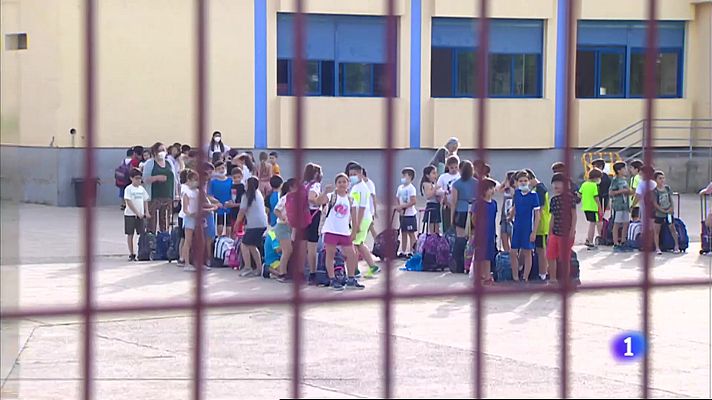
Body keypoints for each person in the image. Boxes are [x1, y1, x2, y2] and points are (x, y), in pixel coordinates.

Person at [322, 173, 365, 290]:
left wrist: (354, 231)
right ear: (336, 184)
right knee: (330, 255)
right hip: (331, 230)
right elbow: (318, 201)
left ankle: (351, 278)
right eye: (339, 182)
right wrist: (325, 192)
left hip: (344, 231)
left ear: (348, 184)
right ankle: (332, 279)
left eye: (344, 182)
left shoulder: (351, 199)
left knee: (352, 254)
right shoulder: (331, 196)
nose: (342, 184)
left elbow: (354, 216)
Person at [348, 163, 381, 279]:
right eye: (350, 174)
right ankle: (361, 268)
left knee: (356, 244)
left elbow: (361, 208)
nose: (352, 176)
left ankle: (364, 268)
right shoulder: (354, 187)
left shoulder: (362, 188)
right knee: (357, 244)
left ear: (360, 174)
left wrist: (357, 224)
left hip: (362, 218)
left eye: (354, 174)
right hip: (356, 218)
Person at [508, 170, 541, 282]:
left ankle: (525, 277)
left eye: (525, 181)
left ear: (529, 181)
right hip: (517, 227)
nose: (523, 183)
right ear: (517, 182)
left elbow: (537, 215)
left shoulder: (534, 195)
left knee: (527, 252)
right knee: (513, 252)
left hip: (528, 227)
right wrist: (510, 215)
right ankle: (515, 276)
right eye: (521, 181)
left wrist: (534, 232)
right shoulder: (517, 193)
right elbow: (515, 207)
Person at [142, 142, 180, 233]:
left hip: (168, 195)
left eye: (164, 150)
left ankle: (164, 239)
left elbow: (175, 179)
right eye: (160, 150)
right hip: (154, 196)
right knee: (152, 221)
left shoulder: (169, 163)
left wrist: (176, 195)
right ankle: (151, 239)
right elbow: (145, 180)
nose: (162, 152)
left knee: (165, 221)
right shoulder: (149, 163)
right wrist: (156, 178)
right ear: (154, 152)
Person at [546, 173, 577, 284]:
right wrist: (549, 233)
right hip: (555, 232)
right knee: (550, 256)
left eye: (559, 183)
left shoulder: (570, 199)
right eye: (554, 183)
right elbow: (552, 217)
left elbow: (574, 215)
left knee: (564, 258)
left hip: (566, 233)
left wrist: (572, 230)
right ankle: (553, 279)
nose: (556, 185)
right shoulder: (553, 200)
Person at [235, 177, 269, 277]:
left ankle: (248, 267)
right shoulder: (258, 194)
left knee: (244, 244)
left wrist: (237, 223)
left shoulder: (246, 196)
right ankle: (258, 268)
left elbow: (242, 211)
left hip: (254, 224)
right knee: (252, 246)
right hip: (262, 223)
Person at [304, 163, 330, 283]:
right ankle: (313, 273)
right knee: (312, 246)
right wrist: (321, 197)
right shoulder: (315, 185)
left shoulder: (304, 184)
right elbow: (312, 198)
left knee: (303, 245)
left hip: (302, 214)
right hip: (313, 214)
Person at [450, 160, 478, 273]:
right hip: (474, 211)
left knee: (460, 238)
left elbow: (453, 201)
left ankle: (459, 265)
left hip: (461, 211)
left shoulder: (456, 184)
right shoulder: (477, 183)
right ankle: (471, 264)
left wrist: (452, 217)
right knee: (473, 238)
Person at [470, 177, 497, 284]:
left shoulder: (494, 203)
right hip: (481, 234)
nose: (493, 190)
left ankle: (487, 276)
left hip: (490, 233)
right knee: (479, 256)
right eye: (490, 188)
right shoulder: (478, 203)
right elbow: (474, 217)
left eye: (493, 188)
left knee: (488, 256)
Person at [527, 169, 550, 282]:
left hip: (541, 225)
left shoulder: (539, 190)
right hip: (539, 224)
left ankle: (543, 274)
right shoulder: (537, 188)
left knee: (541, 251)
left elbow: (539, 210)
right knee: (539, 249)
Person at [272, 178, 296, 282]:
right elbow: (276, 210)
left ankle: (287, 272)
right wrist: (283, 218)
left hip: (291, 227)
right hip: (282, 227)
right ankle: (282, 273)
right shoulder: (285, 198)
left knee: (289, 251)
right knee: (287, 251)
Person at [123, 169, 150, 261]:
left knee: (142, 233)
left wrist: (146, 211)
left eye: (140, 178)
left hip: (141, 215)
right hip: (130, 215)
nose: (138, 180)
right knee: (130, 234)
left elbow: (145, 199)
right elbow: (129, 201)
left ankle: (142, 251)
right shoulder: (128, 189)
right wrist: (137, 213)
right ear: (131, 178)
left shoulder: (141, 189)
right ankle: (131, 253)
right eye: (136, 178)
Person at [652, 171, 680, 255]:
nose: (662, 180)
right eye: (660, 178)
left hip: (668, 212)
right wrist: (662, 210)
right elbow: (655, 203)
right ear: (656, 180)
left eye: (663, 178)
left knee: (672, 228)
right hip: (659, 213)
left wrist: (671, 208)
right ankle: (657, 248)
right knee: (657, 230)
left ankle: (676, 246)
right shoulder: (654, 191)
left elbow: (670, 199)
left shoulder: (667, 188)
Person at [609, 161, 632, 251]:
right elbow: (611, 193)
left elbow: (628, 191)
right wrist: (621, 191)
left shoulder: (625, 180)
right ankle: (615, 243)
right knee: (617, 223)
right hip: (618, 205)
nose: (626, 170)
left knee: (626, 222)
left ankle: (623, 241)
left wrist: (629, 191)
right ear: (618, 170)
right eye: (624, 168)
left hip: (625, 205)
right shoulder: (615, 180)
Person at [179, 170, 200, 272]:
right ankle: (186, 263)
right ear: (189, 180)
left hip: (197, 219)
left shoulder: (197, 192)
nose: (196, 183)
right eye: (194, 180)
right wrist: (191, 214)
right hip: (189, 219)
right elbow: (185, 209)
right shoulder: (186, 192)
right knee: (188, 241)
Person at [396, 167, 418, 258]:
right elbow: (397, 198)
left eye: (405, 175)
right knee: (403, 232)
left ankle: (413, 251)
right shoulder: (400, 187)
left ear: (410, 177)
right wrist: (399, 207)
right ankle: (403, 251)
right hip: (402, 215)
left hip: (410, 214)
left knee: (411, 232)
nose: (403, 177)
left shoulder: (411, 188)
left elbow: (413, 201)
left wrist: (403, 207)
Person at [580, 168, 603, 249]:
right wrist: (600, 209)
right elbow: (596, 198)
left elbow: (579, 195)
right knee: (592, 224)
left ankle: (588, 239)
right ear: (595, 177)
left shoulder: (584, 184)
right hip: (593, 208)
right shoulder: (594, 186)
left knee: (591, 223)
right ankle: (590, 241)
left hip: (586, 207)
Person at [208, 161, 233, 237]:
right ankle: (219, 240)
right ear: (215, 171)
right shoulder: (212, 182)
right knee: (219, 225)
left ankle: (228, 241)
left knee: (229, 226)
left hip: (229, 207)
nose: (221, 170)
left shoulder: (230, 181)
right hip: (218, 208)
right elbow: (209, 195)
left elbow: (234, 194)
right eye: (219, 169)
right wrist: (216, 202)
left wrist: (230, 201)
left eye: (222, 168)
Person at [437, 155, 460, 232]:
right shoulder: (443, 177)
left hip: (458, 205)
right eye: (451, 168)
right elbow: (437, 189)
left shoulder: (460, 176)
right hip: (447, 205)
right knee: (447, 226)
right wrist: (443, 193)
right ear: (448, 167)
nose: (454, 169)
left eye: (456, 167)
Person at [498, 171, 516, 255]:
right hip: (504, 214)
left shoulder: (515, 189)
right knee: (503, 234)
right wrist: (505, 183)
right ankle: (506, 253)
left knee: (512, 234)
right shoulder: (506, 188)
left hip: (512, 215)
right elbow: (499, 190)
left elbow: (514, 195)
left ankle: (513, 254)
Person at [420, 165, 441, 234]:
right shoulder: (426, 184)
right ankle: (432, 240)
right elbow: (428, 195)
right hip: (431, 206)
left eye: (436, 173)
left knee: (437, 226)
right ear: (427, 175)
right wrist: (435, 189)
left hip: (437, 205)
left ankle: (437, 240)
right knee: (432, 226)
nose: (435, 175)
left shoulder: (434, 184)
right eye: (433, 173)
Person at [225, 167, 246, 233]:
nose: (237, 179)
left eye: (238, 177)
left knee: (239, 229)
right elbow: (232, 196)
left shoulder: (243, 187)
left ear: (242, 176)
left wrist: (234, 205)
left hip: (240, 210)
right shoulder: (232, 186)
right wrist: (229, 202)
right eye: (234, 177)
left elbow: (244, 201)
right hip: (233, 211)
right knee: (233, 228)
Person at [363, 169, 379, 240]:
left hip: (369, 211)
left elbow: (374, 197)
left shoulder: (370, 184)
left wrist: (375, 210)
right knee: (367, 230)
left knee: (370, 228)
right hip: (362, 210)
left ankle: (378, 242)